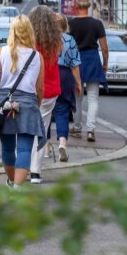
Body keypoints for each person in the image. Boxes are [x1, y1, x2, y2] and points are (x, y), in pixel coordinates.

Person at [0, 15, 44, 187]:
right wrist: (37, 104)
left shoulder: (1, 52)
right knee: (25, 148)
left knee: (8, 147)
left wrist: (0, 93)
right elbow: (40, 87)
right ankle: (18, 187)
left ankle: (12, 182)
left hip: (5, 104)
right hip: (28, 102)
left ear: (12, 31)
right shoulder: (37, 56)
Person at [28, 5, 63, 183]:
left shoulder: (29, 40)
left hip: (29, 89)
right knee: (42, 128)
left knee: (25, 128)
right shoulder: (55, 41)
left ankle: (23, 165)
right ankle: (36, 171)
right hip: (49, 90)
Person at [69, 0, 108, 143]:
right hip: (92, 60)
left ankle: (77, 127)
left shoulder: (70, 24)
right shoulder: (97, 24)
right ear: (89, 5)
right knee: (93, 98)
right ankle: (90, 130)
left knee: (77, 97)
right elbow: (104, 48)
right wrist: (105, 64)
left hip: (76, 61)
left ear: (77, 5)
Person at [53, 14, 82, 163]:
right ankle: (62, 142)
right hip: (64, 75)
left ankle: (44, 147)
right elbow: (74, 63)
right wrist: (78, 82)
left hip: (49, 73)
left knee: (44, 110)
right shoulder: (70, 40)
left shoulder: (46, 38)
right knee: (62, 111)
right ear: (65, 26)